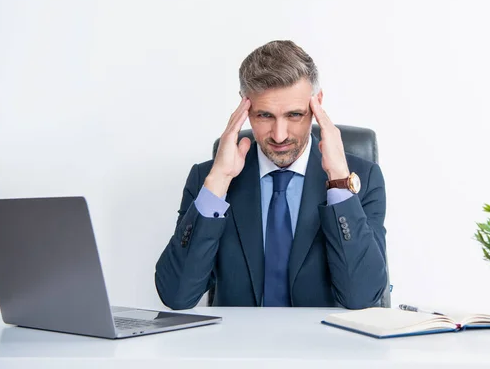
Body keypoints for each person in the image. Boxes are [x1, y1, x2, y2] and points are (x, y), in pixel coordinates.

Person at [155, 40, 388, 309]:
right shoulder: (208, 179)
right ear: (245, 107)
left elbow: (362, 297)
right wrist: (217, 183)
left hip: (324, 346)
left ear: (317, 104)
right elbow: (176, 295)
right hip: (238, 347)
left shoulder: (361, 179)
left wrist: (338, 182)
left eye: (294, 115)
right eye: (264, 115)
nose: (279, 135)